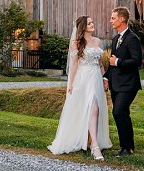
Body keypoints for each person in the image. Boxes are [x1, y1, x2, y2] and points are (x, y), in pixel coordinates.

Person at [48, 16, 112, 160]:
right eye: (89, 23)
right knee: (92, 109)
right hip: (83, 79)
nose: (92, 24)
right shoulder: (76, 43)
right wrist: (70, 84)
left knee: (96, 109)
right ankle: (95, 147)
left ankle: (92, 141)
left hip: (96, 77)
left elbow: (100, 64)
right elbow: (74, 65)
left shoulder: (97, 41)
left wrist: (104, 78)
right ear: (83, 27)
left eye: (92, 22)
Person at [103, 6, 142, 157]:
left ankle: (126, 147)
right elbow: (111, 63)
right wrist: (106, 77)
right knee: (122, 113)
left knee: (118, 112)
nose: (111, 20)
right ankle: (127, 146)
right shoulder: (115, 39)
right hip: (116, 84)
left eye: (113, 18)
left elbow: (137, 61)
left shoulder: (133, 38)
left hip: (129, 84)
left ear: (122, 19)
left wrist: (119, 62)